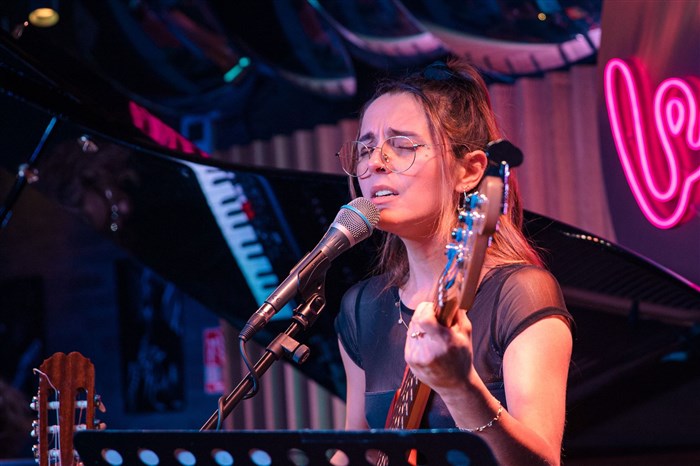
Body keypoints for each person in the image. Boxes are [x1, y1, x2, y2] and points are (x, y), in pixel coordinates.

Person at [334, 58, 574, 466]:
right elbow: (355, 452)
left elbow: (543, 462)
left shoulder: (519, 295)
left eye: (402, 145)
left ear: (470, 170)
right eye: (366, 148)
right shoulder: (362, 308)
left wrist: (461, 388)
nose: (374, 163)